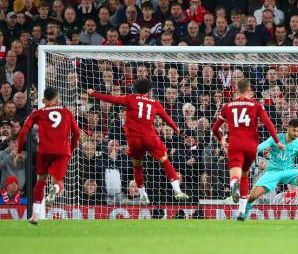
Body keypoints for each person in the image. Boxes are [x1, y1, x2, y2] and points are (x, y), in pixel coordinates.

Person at [87, 79, 188, 203]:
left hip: (134, 140)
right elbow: (166, 118)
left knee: (137, 167)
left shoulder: (130, 98)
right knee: (165, 161)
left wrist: (94, 93)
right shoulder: (154, 103)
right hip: (150, 138)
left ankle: (143, 194)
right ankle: (177, 190)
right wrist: (176, 128)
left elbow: (112, 99)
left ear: (136, 89)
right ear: (149, 91)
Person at [211, 78, 284, 216]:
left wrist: (222, 140)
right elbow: (269, 124)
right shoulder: (256, 105)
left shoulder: (228, 106)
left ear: (237, 91)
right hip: (251, 146)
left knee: (235, 175)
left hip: (235, 144)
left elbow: (214, 128)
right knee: (245, 174)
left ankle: (234, 185)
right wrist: (277, 141)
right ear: (249, 90)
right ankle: (241, 212)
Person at [15, 87, 80, 224]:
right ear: (57, 99)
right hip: (62, 152)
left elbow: (23, 132)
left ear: (43, 100)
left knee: (41, 181)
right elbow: (77, 133)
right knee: (58, 182)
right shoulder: (66, 112)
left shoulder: (38, 113)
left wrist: (19, 151)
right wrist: (71, 148)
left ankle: (35, 215)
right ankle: (54, 190)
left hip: (44, 152)